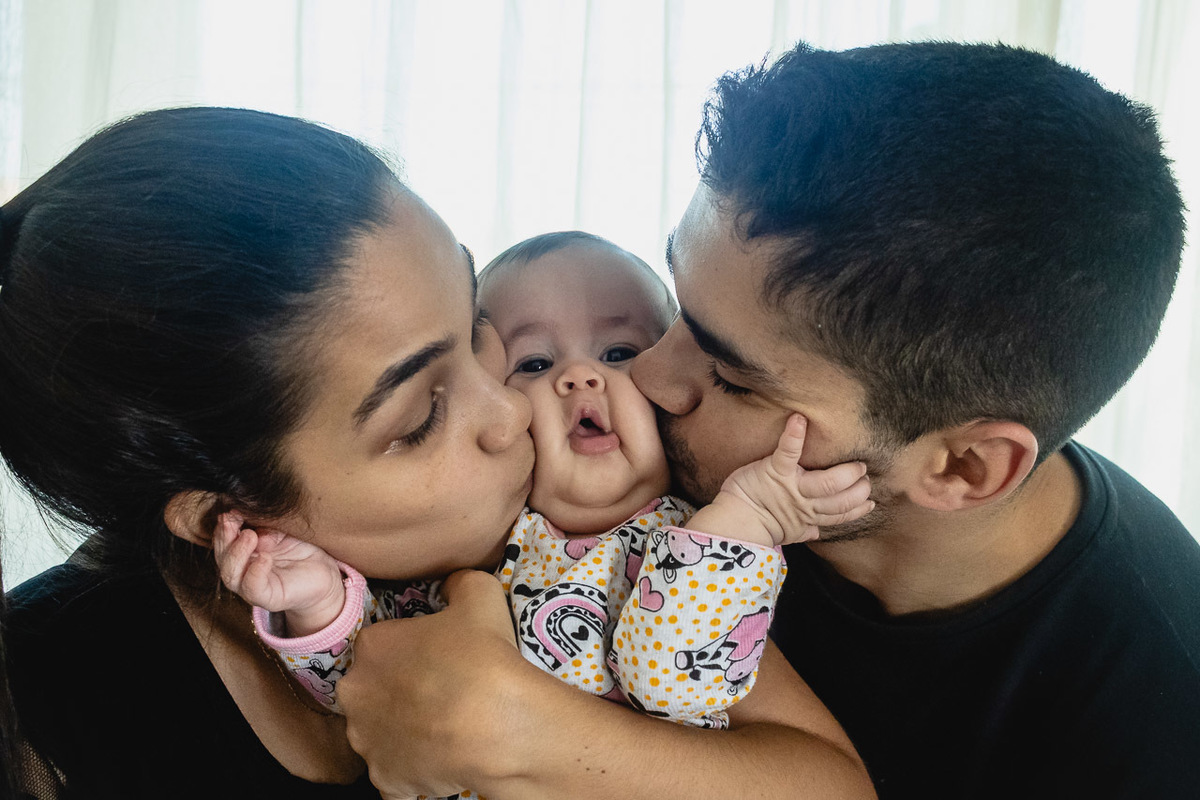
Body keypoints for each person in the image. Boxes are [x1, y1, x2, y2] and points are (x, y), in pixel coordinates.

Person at [333, 41, 1200, 799]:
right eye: (678, 305)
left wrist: (517, 735)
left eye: (731, 376)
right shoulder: (631, 470)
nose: (651, 376)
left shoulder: (1149, 723)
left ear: (960, 468)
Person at [0, 107, 874, 798]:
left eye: (475, 326)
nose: (511, 411)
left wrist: (532, 734)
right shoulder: (54, 705)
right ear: (229, 513)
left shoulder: (600, 523)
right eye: (421, 417)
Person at [216, 229, 872, 739]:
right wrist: (318, 604)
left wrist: (750, 514)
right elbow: (369, 686)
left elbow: (674, 680)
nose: (579, 377)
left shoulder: (704, 542)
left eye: (619, 353)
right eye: (533, 363)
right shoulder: (473, 555)